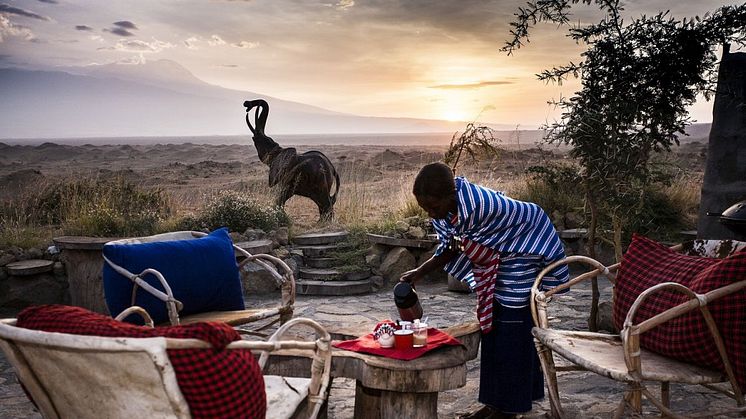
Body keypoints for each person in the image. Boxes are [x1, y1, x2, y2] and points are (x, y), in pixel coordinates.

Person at [400, 162, 569, 419]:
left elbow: (459, 244)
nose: (432, 215)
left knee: (513, 331)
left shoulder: (479, 208)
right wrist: (419, 273)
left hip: (525, 247)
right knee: (492, 329)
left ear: (451, 195)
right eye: (426, 209)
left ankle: (511, 408)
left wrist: (425, 269)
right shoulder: (451, 213)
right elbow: (451, 244)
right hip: (502, 255)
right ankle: (493, 404)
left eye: (434, 207)